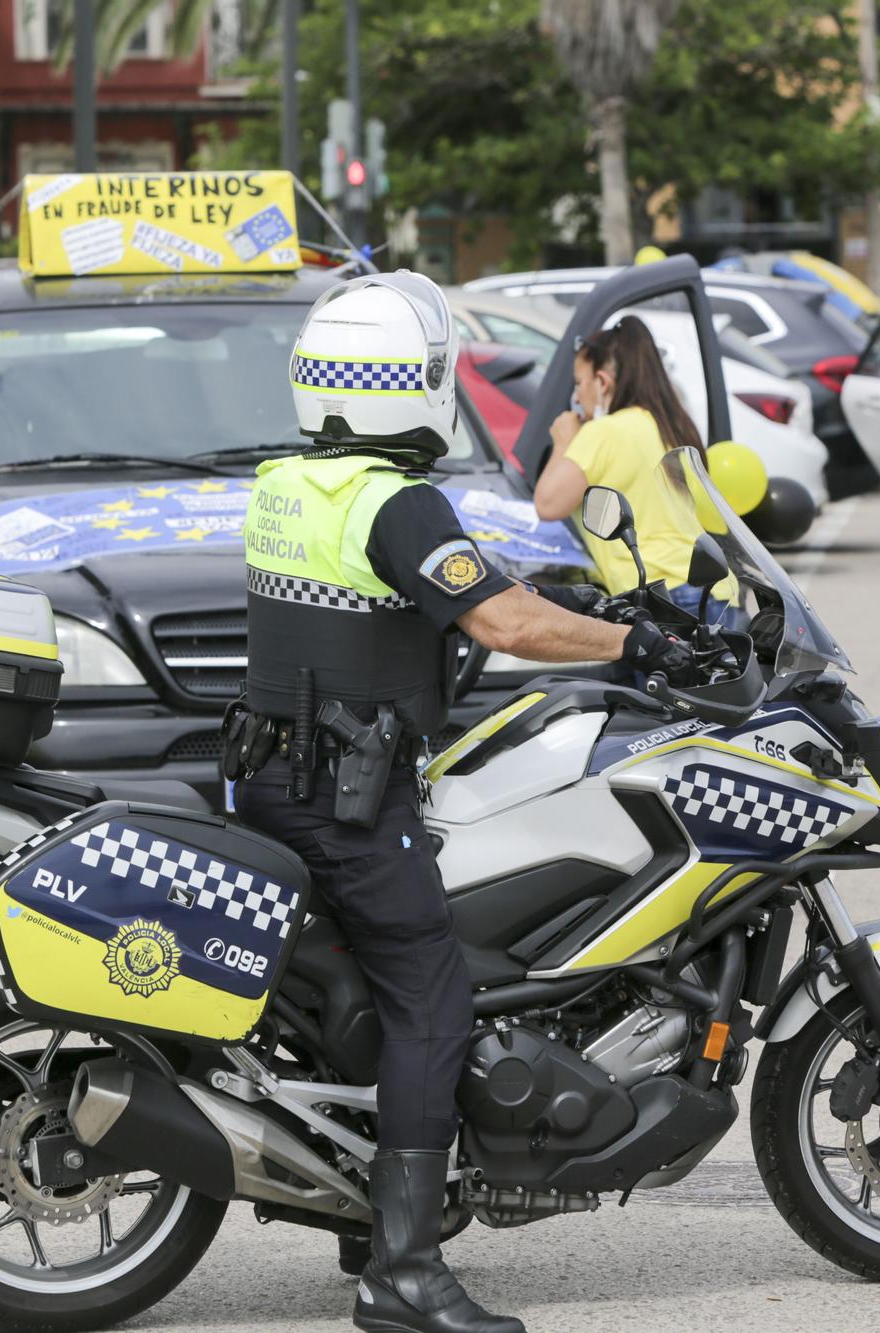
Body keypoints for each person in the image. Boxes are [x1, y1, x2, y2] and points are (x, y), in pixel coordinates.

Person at [229, 272, 691, 1333]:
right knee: (432, 995)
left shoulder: (291, 485)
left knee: (387, 979)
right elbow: (499, 627)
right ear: (418, 383)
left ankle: (364, 1206)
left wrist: (560, 594)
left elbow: (441, 587)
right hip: (349, 802)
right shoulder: (398, 502)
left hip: (271, 778)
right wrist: (636, 639)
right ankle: (401, 1268)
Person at [532, 315, 738, 625]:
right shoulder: (669, 423)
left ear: (602, 382)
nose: (576, 397)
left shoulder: (605, 432)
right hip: (715, 591)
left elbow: (548, 504)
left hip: (665, 596)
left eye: (579, 383)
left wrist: (563, 442)